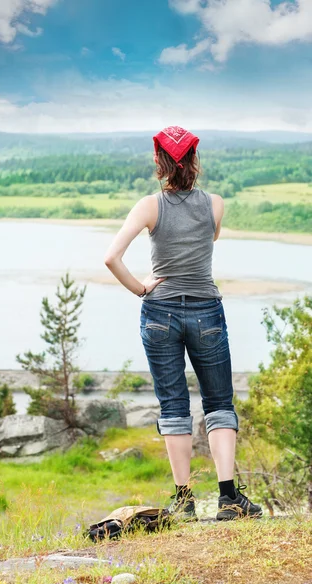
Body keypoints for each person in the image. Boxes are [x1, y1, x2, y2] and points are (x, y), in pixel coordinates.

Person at [104, 125, 262, 521]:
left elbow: (111, 258)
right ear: (195, 160)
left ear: (159, 161)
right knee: (219, 404)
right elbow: (210, 240)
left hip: (160, 312)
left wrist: (142, 288)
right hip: (207, 310)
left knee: (174, 404)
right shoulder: (216, 204)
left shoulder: (149, 206)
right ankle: (229, 499)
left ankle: (184, 500)